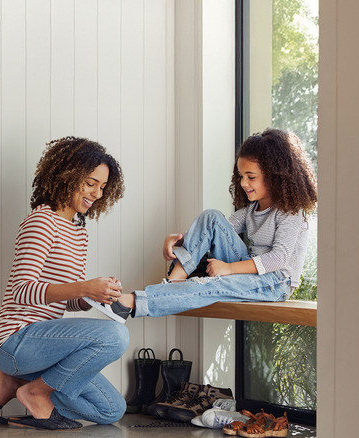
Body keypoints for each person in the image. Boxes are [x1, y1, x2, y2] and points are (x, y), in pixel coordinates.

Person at [0, 137, 128, 431]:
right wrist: (84, 287)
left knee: (111, 410)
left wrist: (94, 296)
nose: (97, 193)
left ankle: (19, 383)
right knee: (115, 336)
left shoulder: (79, 233)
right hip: (15, 339)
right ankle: (35, 392)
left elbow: (65, 301)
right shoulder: (41, 221)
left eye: (103, 187)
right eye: (91, 183)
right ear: (68, 175)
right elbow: (23, 289)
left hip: (46, 345)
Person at [113, 128, 317, 319]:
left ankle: (133, 301)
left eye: (251, 177)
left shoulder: (291, 213)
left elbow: (278, 259)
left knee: (208, 285)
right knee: (211, 216)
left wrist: (228, 268)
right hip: (248, 272)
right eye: (241, 176)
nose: (244, 183)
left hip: (275, 282)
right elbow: (210, 232)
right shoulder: (251, 211)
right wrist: (178, 241)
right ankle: (174, 282)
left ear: (275, 176)